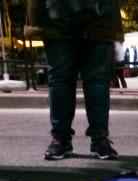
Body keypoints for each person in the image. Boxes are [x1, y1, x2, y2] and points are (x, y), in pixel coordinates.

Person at [25, 0, 122, 160]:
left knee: (79, 82)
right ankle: (92, 139)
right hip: (76, 18)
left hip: (73, 18)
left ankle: (66, 139)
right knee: (85, 82)